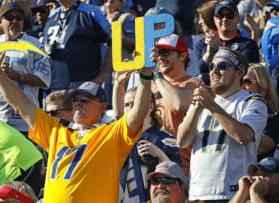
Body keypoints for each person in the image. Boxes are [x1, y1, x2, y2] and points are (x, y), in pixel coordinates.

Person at [0, 46, 153, 202]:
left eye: (84, 100)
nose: (77, 104)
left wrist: (145, 77)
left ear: (103, 107)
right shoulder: (56, 130)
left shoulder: (111, 134)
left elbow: (137, 114)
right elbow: (21, 105)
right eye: (74, 100)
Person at [177, 47, 268, 201]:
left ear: (239, 73)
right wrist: (198, 108)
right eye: (212, 67)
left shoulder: (251, 102)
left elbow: (243, 136)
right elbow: (182, 141)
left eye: (222, 67)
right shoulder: (200, 102)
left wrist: (211, 106)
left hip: (233, 192)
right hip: (198, 192)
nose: (214, 71)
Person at [0, 0, 51, 135]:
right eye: (9, 18)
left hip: (24, 123)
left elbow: (44, 80)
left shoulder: (35, 45)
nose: (14, 21)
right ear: (0, 21)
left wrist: (18, 76)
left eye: (18, 18)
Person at [113, 71, 181, 203]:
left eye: (134, 103)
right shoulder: (122, 137)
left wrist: (159, 153)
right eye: (127, 105)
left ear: (150, 106)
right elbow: (118, 116)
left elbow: (177, 176)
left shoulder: (163, 138)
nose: (130, 109)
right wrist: (117, 84)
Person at [151, 33, 204, 175]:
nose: (159, 57)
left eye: (165, 52)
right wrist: (119, 84)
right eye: (157, 53)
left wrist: (156, 75)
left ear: (182, 56)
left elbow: (179, 103)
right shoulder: (152, 86)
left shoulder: (194, 84)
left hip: (183, 167)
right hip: (153, 164)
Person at [42, 0, 112, 90]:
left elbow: (113, 40)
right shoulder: (53, 15)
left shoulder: (91, 11)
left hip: (83, 84)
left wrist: (104, 73)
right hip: (54, 85)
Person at [195, 0, 260, 74]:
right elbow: (196, 72)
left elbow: (242, 70)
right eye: (220, 16)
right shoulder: (202, 44)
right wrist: (208, 55)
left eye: (230, 16)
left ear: (238, 19)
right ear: (214, 19)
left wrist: (221, 49)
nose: (225, 19)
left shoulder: (248, 45)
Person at [242, 63, 279, 160]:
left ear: (262, 85)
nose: (242, 86)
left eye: (247, 81)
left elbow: (261, 146)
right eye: (240, 82)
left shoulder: (274, 118)